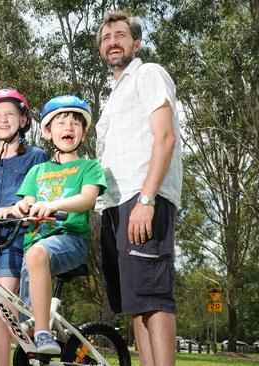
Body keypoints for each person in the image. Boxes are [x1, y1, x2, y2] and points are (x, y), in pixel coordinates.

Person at [96, 11, 182, 366]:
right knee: (135, 304)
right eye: (106, 38)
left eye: (120, 35)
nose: (112, 41)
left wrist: (147, 199)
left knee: (154, 298)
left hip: (142, 198)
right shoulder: (113, 95)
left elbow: (165, 136)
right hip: (115, 205)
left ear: (137, 43)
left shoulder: (148, 74)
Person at [13, 95, 107, 354]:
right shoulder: (37, 171)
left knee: (37, 255)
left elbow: (88, 199)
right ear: (47, 131)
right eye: (61, 123)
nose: (68, 128)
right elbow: (28, 202)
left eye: (75, 124)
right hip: (35, 246)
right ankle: (47, 340)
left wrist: (54, 205)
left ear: (84, 132)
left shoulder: (88, 167)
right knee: (25, 330)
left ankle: (45, 332)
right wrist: (19, 207)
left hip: (70, 240)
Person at [0, 88, 47, 366]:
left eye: (10, 114)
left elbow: (38, 195)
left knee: (2, 306)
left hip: (17, 239)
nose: (3, 120)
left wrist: (15, 209)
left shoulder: (36, 157)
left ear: (24, 120)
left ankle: (33, 347)